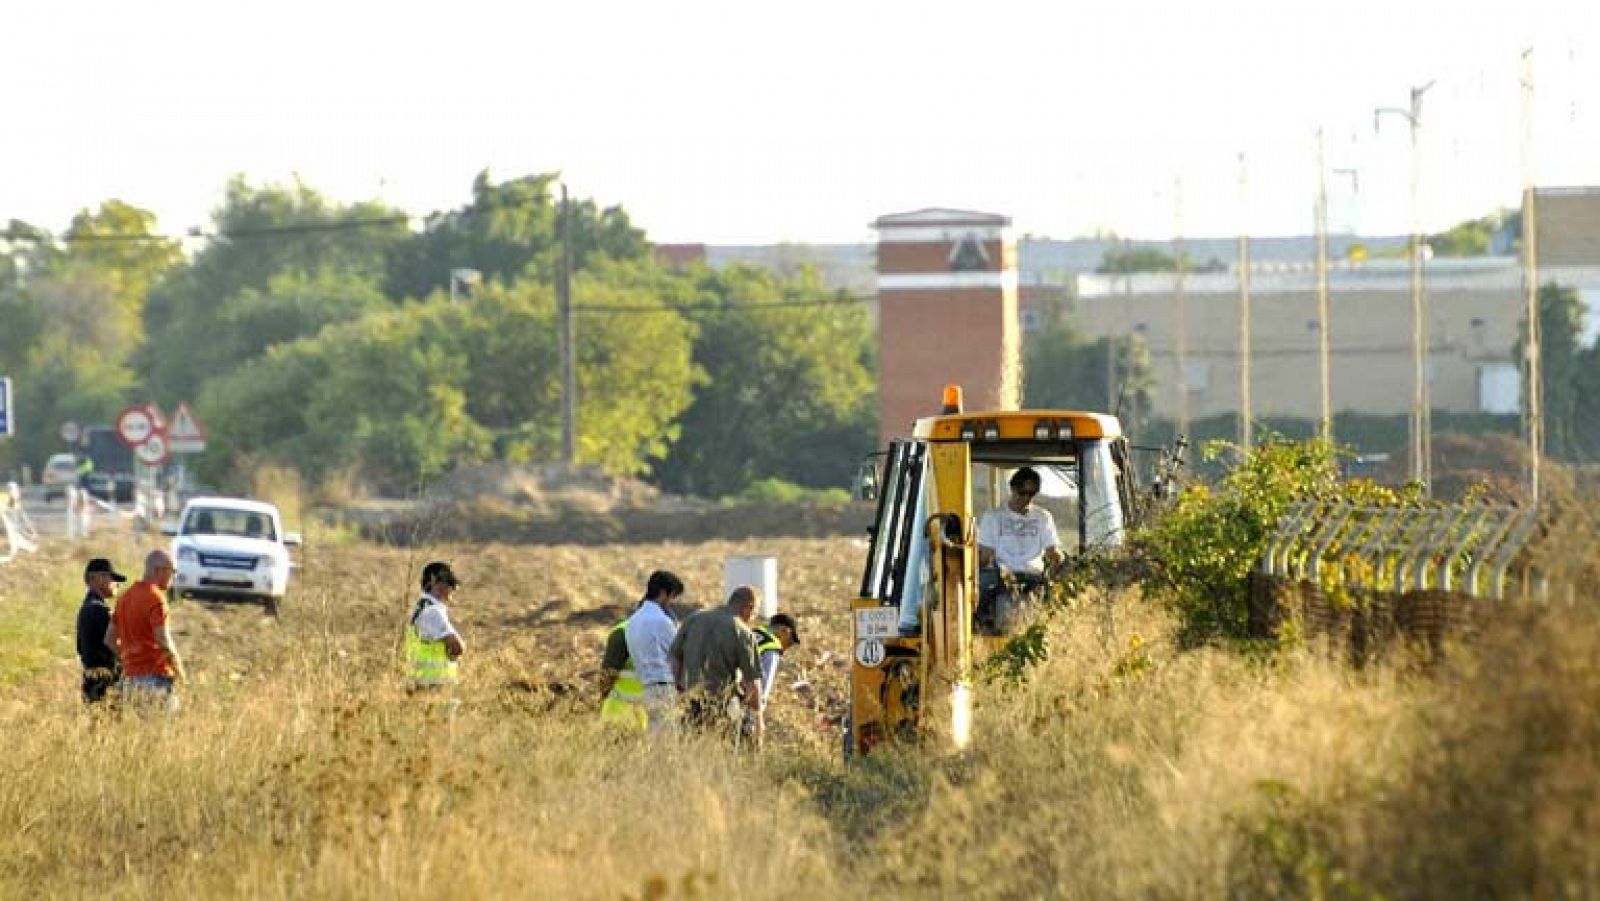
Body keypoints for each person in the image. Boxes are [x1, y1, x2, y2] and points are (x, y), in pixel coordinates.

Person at [670, 585, 764, 748]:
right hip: (723, 706)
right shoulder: (742, 632)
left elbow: (675, 657)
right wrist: (758, 719)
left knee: (691, 752)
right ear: (748, 607)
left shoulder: (694, 618)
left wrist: (678, 688)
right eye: (754, 613)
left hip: (691, 702)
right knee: (727, 755)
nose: (753, 618)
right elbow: (752, 682)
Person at [976, 467, 1064, 634]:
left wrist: (1060, 561)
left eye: (1031, 494)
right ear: (1013, 489)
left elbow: (1052, 550)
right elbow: (985, 555)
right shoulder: (994, 517)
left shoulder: (1043, 517)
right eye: (1022, 492)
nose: (1026, 498)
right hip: (1002, 578)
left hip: (1034, 578)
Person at [105, 550, 186, 713]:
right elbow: (163, 640)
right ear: (158, 570)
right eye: (172, 571)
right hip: (156, 680)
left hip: (130, 682)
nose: (173, 577)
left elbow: (109, 639)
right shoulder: (156, 598)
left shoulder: (125, 597)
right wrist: (180, 671)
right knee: (162, 734)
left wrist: (129, 660)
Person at [622, 571, 684, 734]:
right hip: (664, 687)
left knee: (655, 738)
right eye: (672, 597)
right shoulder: (662, 621)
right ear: (663, 593)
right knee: (668, 743)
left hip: (647, 687)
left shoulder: (632, 621)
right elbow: (679, 653)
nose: (671, 603)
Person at [403, 561, 464, 692]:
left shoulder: (420, 606)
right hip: (436, 686)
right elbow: (456, 647)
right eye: (448, 583)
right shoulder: (433, 611)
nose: (452, 588)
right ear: (433, 581)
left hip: (422, 683)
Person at [76, 557, 126, 705]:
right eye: (113, 578)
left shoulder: (85, 607)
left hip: (90, 682)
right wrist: (128, 663)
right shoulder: (100, 609)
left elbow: (79, 648)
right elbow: (111, 642)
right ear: (98, 578)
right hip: (105, 684)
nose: (116, 584)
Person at [597, 612, 647, 731]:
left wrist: (602, 700)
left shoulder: (622, 632)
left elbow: (606, 677)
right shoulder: (664, 633)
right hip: (643, 720)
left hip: (616, 715)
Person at [752, 613, 801, 713]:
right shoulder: (771, 650)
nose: (787, 647)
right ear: (784, 631)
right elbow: (762, 689)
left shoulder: (751, 633)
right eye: (790, 642)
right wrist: (757, 717)